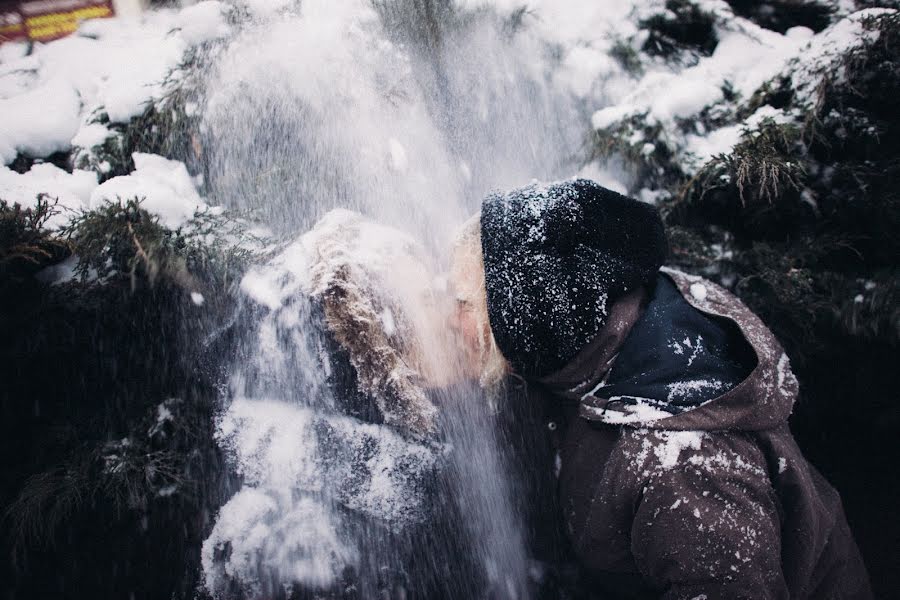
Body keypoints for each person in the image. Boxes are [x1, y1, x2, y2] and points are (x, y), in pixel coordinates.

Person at [448, 179, 872, 599]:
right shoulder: (602, 330)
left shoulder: (684, 469)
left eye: (464, 303)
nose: (450, 319)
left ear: (526, 315)